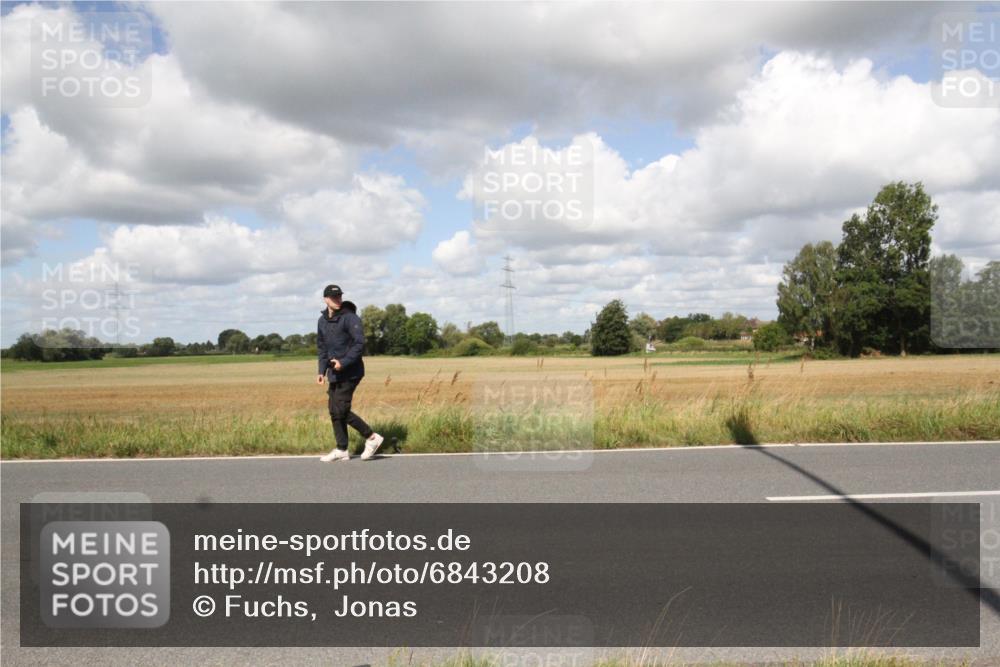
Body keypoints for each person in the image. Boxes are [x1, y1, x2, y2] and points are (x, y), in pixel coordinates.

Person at [316, 284, 383, 462]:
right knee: (334, 410)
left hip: (351, 371)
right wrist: (321, 370)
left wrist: (343, 362)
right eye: (333, 297)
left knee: (340, 409)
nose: (338, 300)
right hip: (334, 373)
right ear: (325, 299)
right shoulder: (322, 321)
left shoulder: (350, 318)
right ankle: (342, 449)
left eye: (339, 296)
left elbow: (359, 344)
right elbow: (322, 348)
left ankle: (372, 438)